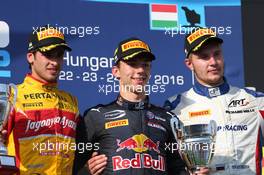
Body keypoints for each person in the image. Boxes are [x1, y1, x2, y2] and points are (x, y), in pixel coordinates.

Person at [73, 37, 197, 175]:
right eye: (132, 64)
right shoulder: (96, 116)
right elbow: (73, 167)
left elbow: (178, 169)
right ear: (116, 71)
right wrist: (85, 171)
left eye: (145, 65)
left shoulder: (167, 118)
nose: (140, 70)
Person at [164, 27, 264, 175]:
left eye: (217, 54)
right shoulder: (175, 107)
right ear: (189, 64)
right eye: (204, 57)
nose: (213, 62)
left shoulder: (256, 100)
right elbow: (168, 161)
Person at [3, 25, 79, 175]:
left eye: (59, 55)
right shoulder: (12, 95)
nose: (55, 62)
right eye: (48, 54)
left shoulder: (71, 101)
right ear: (30, 56)